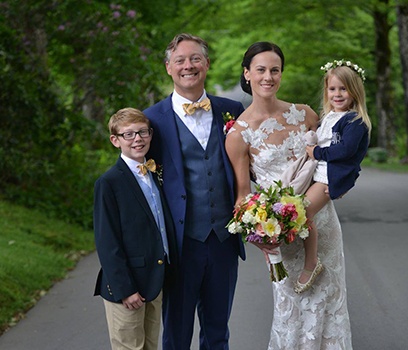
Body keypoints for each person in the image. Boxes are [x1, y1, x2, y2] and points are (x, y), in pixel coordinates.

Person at [225, 42, 352, 349]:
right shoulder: (238, 134)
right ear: (247, 74)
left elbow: (331, 160)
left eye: (275, 70)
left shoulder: (306, 115)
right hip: (281, 234)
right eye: (261, 70)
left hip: (323, 224)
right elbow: (243, 196)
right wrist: (259, 236)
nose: (268, 77)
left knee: (331, 303)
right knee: (292, 310)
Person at [143, 33, 246, 350]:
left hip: (223, 240)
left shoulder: (232, 110)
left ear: (207, 64)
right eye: (180, 60)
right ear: (168, 68)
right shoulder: (151, 120)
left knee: (218, 331)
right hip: (179, 244)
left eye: (195, 59)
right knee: (176, 333)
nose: (188, 66)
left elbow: (256, 162)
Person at [93, 107, 177, 350]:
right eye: (128, 134)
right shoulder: (109, 183)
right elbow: (107, 241)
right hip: (127, 288)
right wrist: (125, 289)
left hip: (154, 279)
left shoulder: (154, 174)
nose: (137, 139)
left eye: (142, 132)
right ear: (115, 140)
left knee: (150, 345)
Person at [294, 60, 372, 294]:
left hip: (327, 178)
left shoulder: (354, 121)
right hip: (315, 173)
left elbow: (347, 153)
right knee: (292, 205)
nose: (337, 94)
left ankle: (311, 263)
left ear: (354, 91)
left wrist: (316, 152)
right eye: (332, 89)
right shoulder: (327, 116)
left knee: (303, 211)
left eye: (343, 89)